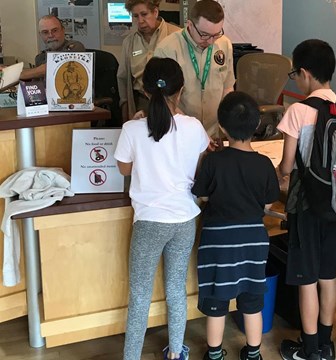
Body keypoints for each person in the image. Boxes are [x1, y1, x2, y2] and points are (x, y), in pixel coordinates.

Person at [114, 57, 210, 360]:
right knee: (176, 289)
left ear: (144, 90)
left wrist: (141, 122)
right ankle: (175, 353)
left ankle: (132, 356)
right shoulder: (193, 127)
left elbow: (124, 169)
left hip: (149, 223)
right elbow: (199, 165)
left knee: (140, 296)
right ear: (180, 91)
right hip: (184, 219)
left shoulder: (132, 128)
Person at [191, 91, 280, 360]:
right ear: (256, 126)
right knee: (252, 299)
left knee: (218, 301)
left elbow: (202, 195)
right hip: (253, 241)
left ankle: (215, 354)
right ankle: (254, 353)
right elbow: (267, 206)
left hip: (218, 241)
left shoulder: (213, 161)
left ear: (221, 127)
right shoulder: (264, 164)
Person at [276, 39, 336, 360]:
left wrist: (277, 175)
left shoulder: (298, 110)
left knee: (306, 279)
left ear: (304, 73)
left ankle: (309, 349)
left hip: (305, 205)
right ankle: (327, 346)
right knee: (328, 275)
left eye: (295, 74)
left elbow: (287, 166)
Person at [154, 0, 234, 139]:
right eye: (204, 34)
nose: (210, 41)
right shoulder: (167, 49)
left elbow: (227, 87)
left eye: (216, 34)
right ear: (190, 25)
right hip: (181, 133)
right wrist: (195, 132)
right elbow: (164, 99)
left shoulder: (224, 44)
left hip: (215, 133)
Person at [118, 0, 180, 121]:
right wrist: (125, 110)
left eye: (144, 14)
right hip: (141, 103)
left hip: (170, 102)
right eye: (135, 16)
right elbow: (123, 78)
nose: (140, 21)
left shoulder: (176, 35)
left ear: (155, 12)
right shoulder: (129, 42)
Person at [20, 15, 85, 80]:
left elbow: (53, 67)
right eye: (45, 32)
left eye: (55, 30)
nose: (50, 35)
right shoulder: (40, 58)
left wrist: (20, 75)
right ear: (40, 35)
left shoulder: (76, 47)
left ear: (63, 31)